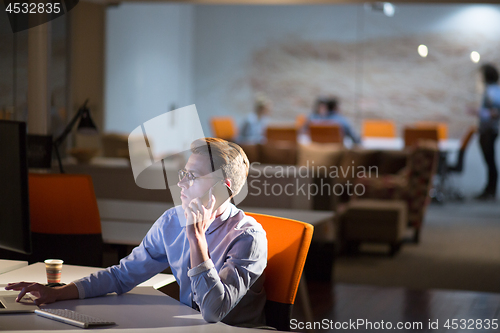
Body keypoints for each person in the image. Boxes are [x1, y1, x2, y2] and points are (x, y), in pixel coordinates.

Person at [6, 138, 268, 326]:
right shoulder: (172, 221)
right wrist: (59, 292)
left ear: (223, 188)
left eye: (193, 176)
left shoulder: (248, 238)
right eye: (183, 173)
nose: (180, 183)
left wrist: (196, 238)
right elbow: (122, 275)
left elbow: (213, 312)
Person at [473, 64, 499, 200]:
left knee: (490, 161)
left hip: (489, 131)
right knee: (490, 161)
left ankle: (490, 189)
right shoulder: (492, 90)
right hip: (489, 130)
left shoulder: (492, 91)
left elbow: (496, 112)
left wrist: (479, 112)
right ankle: (490, 189)